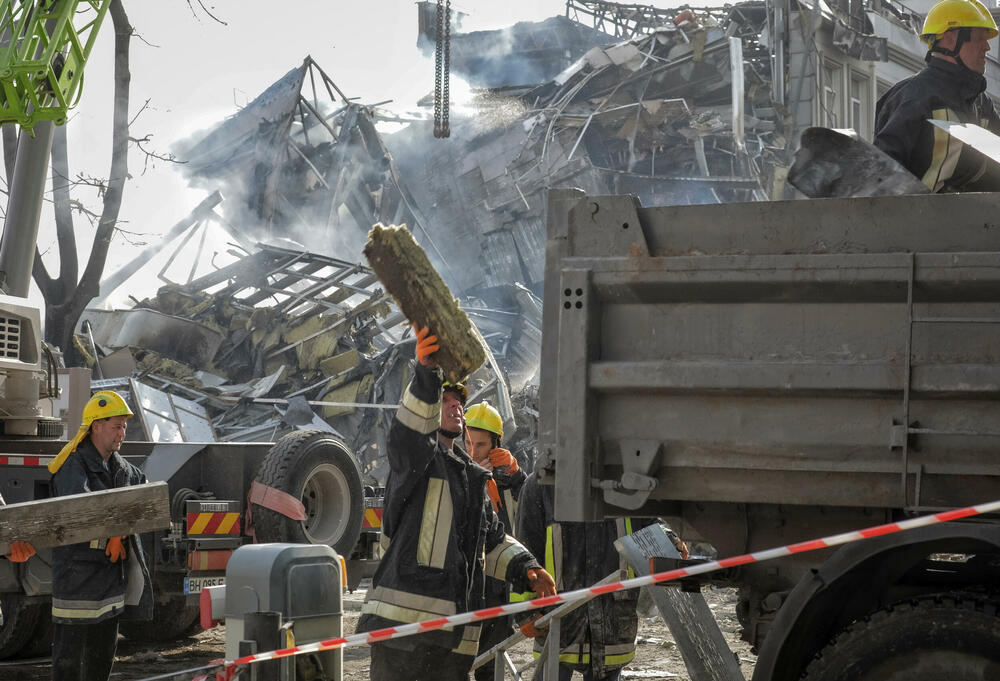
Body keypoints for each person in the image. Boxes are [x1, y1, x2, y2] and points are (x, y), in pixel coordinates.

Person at [357, 325, 556, 681]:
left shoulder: (471, 478)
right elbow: (407, 433)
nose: (456, 406)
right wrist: (426, 375)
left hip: (455, 640)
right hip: (403, 633)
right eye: (446, 400)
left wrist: (529, 569)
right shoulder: (416, 462)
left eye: (458, 401)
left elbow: (492, 541)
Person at [47, 391, 152, 681]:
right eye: (116, 426)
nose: (122, 433)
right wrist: (116, 533)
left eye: (124, 427)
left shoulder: (122, 469)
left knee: (101, 660)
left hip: (109, 587)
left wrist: (123, 529)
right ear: (95, 426)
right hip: (77, 581)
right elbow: (81, 511)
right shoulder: (72, 465)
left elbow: (143, 498)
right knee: (69, 663)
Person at [514, 473, 658, 681]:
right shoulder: (540, 485)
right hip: (558, 615)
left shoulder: (629, 483)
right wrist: (525, 612)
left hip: (613, 615)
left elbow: (651, 524)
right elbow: (525, 550)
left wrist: (669, 538)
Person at [873, 0, 1000, 192]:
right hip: (913, 218)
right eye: (979, 38)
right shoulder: (912, 97)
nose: (987, 47)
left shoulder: (981, 103)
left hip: (971, 219)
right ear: (950, 39)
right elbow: (882, 174)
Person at [463, 400, 525, 681]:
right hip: (465, 585)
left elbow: (521, 523)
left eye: (482, 445)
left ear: (497, 446)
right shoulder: (454, 472)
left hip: (497, 586)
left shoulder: (507, 480)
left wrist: (514, 477)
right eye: (468, 443)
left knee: (491, 664)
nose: (473, 452)